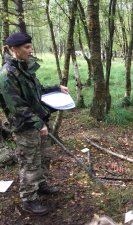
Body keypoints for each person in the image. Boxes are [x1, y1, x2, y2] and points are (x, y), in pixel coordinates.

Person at [0, 32, 69, 215]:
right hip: (25, 126)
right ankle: (29, 199)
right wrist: (39, 123)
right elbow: (17, 107)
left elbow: (37, 92)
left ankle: (41, 185)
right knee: (29, 163)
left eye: (31, 46)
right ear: (14, 49)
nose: (31, 51)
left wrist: (56, 88)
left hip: (39, 122)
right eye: (27, 47)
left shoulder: (24, 67)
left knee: (44, 156)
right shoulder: (7, 74)